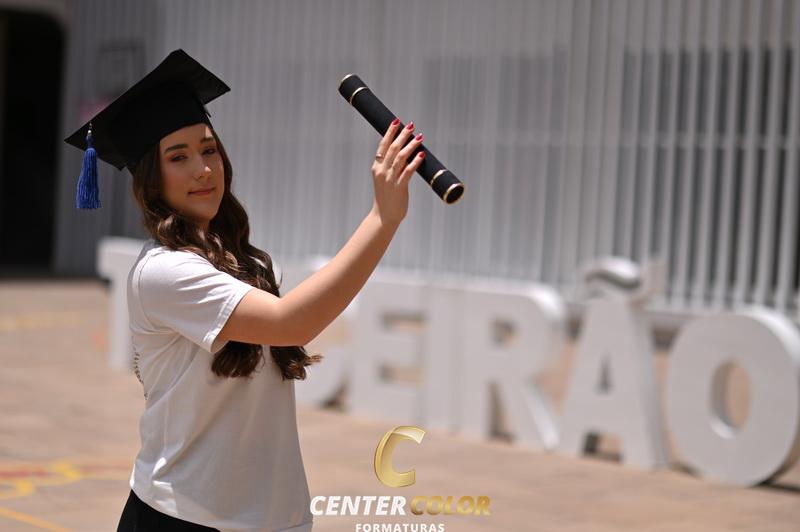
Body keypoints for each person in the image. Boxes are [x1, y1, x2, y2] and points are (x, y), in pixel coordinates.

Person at [65, 49, 425, 532]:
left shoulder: (240, 260)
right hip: (184, 518)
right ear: (150, 180)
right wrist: (383, 218)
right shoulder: (164, 272)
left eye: (209, 149)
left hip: (273, 518)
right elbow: (291, 323)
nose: (203, 169)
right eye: (178, 157)